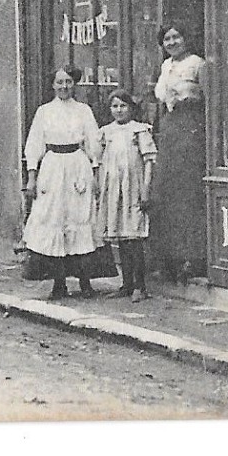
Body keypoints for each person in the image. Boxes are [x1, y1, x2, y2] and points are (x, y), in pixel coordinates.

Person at [22, 66, 102, 299]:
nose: (64, 87)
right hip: (53, 167)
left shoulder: (83, 110)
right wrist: (32, 176)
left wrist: (95, 173)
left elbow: (93, 143)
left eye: (68, 82)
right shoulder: (44, 112)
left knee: (80, 218)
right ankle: (59, 283)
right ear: (53, 85)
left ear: (74, 84)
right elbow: (34, 144)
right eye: (59, 82)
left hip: (77, 166)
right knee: (54, 219)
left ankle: (85, 282)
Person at [152, 24, 208, 282]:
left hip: (191, 128)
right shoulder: (165, 66)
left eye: (177, 37)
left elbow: (210, 98)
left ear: (186, 39)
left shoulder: (198, 64)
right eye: (167, 38)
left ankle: (193, 258)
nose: (172, 42)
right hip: (170, 128)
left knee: (188, 192)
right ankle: (170, 257)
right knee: (168, 193)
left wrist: (189, 100)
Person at [97, 91, 157, 302]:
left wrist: (145, 190)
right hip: (114, 189)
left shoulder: (139, 130)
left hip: (133, 188)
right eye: (115, 106)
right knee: (121, 238)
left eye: (123, 106)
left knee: (134, 238)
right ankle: (126, 284)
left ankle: (140, 286)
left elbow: (148, 162)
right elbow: (100, 161)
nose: (119, 110)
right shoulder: (106, 132)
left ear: (131, 108)